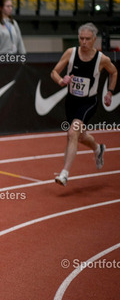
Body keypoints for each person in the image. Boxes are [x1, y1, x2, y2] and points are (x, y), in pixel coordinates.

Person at [51, 23, 117, 186]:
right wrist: (61, 81)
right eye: (81, 38)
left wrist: (110, 92)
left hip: (88, 102)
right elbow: (54, 72)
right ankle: (98, 148)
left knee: (72, 133)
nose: (84, 42)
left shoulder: (102, 59)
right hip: (71, 101)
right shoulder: (71, 53)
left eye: (87, 39)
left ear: (94, 39)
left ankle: (64, 174)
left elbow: (114, 72)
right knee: (79, 136)